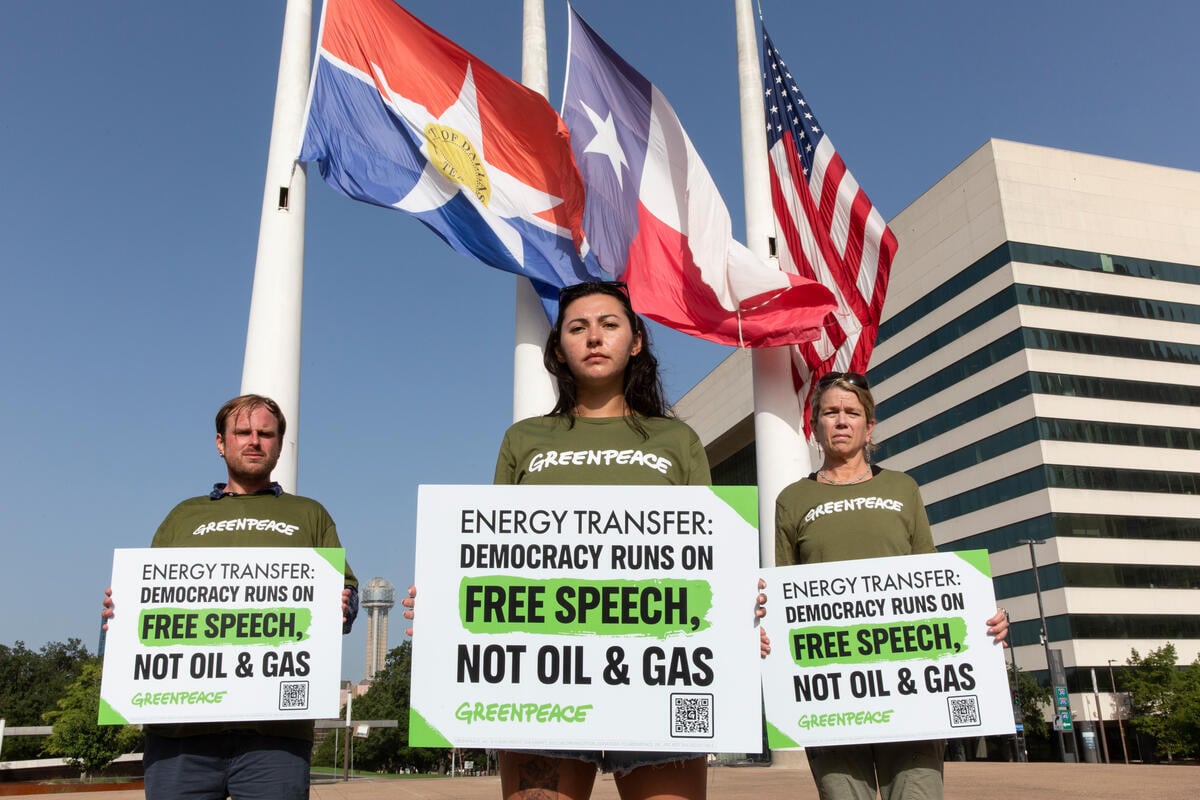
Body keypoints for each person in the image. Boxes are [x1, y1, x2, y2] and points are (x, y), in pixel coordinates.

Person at [407, 280, 713, 800]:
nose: (594, 337)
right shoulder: (524, 440)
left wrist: (740, 608)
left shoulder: (675, 439)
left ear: (636, 341)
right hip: (541, 682)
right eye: (578, 327)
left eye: (609, 324)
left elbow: (708, 556)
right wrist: (445, 599)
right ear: (558, 349)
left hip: (659, 672)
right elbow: (492, 552)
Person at [101, 394, 358, 800]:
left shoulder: (310, 515)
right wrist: (119, 614)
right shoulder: (182, 516)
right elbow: (150, 602)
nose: (254, 440)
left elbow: (347, 592)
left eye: (265, 433)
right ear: (221, 442)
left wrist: (343, 605)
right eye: (243, 432)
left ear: (279, 445)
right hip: (180, 735)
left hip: (275, 735)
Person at [773, 371, 1008, 800]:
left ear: (869, 427)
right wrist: (765, 630)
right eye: (830, 412)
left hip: (913, 687)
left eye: (851, 412)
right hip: (831, 691)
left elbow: (936, 584)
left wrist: (984, 621)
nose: (841, 421)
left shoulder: (903, 488)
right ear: (814, 426)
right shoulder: (792, 499)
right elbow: (783, 592)